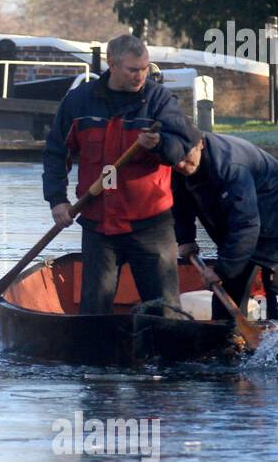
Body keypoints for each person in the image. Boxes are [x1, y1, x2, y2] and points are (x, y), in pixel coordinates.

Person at [42, 34, 198, 315]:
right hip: (97, 225)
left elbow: (186, 148)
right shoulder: (78, 102)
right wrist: (57, 200)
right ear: (111, 64)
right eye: (133, 69)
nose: (141, 75)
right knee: (94, 311)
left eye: (145, 68)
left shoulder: (160, 101)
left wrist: (160, 145)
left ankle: (168, 355)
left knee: (166, 312)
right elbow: (56, 153)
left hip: (152, 224)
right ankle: (95, 355)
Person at [171, 130, 278, 320]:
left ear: (200, 144)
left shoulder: (231, 168)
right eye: (175, 159)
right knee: (229, 289)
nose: (180, 164)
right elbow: (180, 201)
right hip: (240, 219)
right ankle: (226, 339)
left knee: (277, 285)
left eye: (185, 158)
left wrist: (222, 270)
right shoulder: (175, 162)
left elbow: (245, 226)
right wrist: (185, 238)